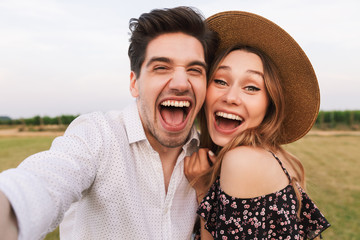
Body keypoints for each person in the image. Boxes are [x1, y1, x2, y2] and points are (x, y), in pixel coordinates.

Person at [0, 6, 218, 240]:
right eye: (161, 67)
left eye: (195, 70)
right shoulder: (98, 135)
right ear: (134, 83)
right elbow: (42, 183)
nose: (181, 83)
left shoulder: (208, 156)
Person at [185, 11, 330, 239]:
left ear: (270, 103)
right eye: (221, 81)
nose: (231, 97)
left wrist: (203, 191)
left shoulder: (242, 161)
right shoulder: (274, 156)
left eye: (251, 87)